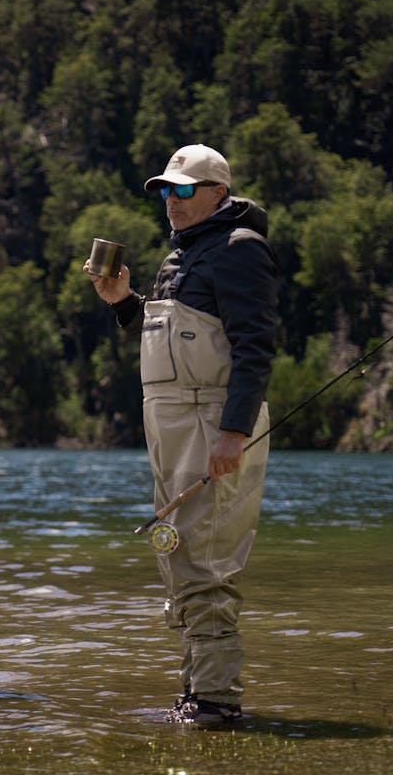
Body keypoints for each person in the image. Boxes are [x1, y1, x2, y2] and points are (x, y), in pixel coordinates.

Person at [85, 144, 278, 725]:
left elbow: (254, 348)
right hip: (168, 426)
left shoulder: (242, 250)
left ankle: (217, 701)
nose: (171, 199)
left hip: (213, 424)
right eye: (166, 190)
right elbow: (170, 334)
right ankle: (196, 691)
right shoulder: (179, 257)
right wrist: (123, 304)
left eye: (183, 189)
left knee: (208, 558)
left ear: (219, 192)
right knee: (178, 554)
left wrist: (233, 433)